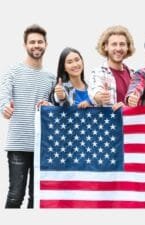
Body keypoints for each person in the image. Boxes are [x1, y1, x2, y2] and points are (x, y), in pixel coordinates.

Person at [0, 24, 55, 208]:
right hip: (18, 143)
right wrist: (4, 107)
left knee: (36, 197)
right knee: (16, 195)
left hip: (42, 145)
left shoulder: (51, 77)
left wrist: (50, 105)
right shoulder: (13, 71)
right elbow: (3, 96)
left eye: (40, 42)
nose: (36, 45)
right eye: (32, 42)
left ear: (46, 44)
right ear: (25, 45)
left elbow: (55, 105)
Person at [88, 25, 135, 110]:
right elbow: (95, 93)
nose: (118, 48)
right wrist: (100, 97)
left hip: (130, 122)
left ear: (127, 47)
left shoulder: (134, 75)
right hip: (109, 122)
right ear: (106, 46)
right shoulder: (98, 73)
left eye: (122, 44)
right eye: (114, 44)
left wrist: (127, 107)